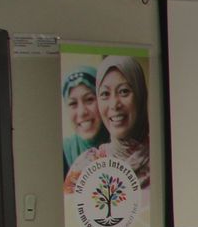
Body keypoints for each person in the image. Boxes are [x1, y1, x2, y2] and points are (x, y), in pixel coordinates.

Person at [64, 55, 152, 193]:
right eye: (105, 93)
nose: (114, 104)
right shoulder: (85, 167)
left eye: (124, 91)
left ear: (140, 95)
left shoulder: (167, 155)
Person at [60, 68, 108, 174]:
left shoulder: (124, 147)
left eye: (89, 99)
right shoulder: (62, 152)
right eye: (73, 103)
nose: (82, 112)